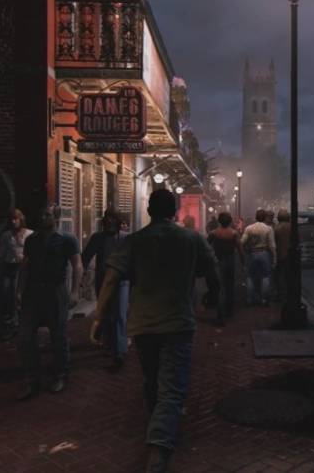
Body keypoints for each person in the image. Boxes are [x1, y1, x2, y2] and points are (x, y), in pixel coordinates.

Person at [89, 189, 220, 472]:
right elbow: (212, 270)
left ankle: (158, 426)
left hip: (144, 324)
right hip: (178, 322)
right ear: (175, 212)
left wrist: (98, 317)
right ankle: (159, 447)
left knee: (152, 380)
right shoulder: (191, 239)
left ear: (149, 211)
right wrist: (214, 295)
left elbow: (111, 278)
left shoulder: (134, 241)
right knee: (171, 388)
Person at [14, 203, 83, 400]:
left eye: (47, 215)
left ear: (56, 217)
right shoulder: (32, 240)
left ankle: (60, 374)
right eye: (41, 214)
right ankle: (32, 379)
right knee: (26, 336)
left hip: (56, 291)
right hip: (33, 291)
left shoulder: (67, 239)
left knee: (58, 335)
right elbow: (25, 266)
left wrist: (74, 292)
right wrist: (19, 290)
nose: (43, 218)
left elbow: (77, 265)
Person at [82, 209, 130, 371]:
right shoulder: (98, 238)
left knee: (119, 314)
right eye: (107, 218)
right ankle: (109, 342)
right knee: (106, 313)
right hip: (102, 280)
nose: (110, 221)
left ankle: (119, 351)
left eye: (113, 218)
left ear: (118, 221)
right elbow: (85, 257)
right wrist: (82, 275)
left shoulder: (125, 238)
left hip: (121, 280)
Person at [0, 208, 32, 340]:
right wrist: (0, 269)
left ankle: (20, 325)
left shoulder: (29, 234)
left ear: (21, 219)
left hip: (22, 268)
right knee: (7, 295)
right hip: (8, 267)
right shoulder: (6, 235)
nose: (13, 221)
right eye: (11, 219)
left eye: (15, 219)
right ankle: (9, 325)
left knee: (18, 295)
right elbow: (1, 254)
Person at [207, 212, 245, 325]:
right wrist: (243, 263)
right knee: (230, 286)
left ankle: (220, 312)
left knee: (220, 287)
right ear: (230, 221)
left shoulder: (214, 233)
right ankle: (229, 310)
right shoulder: (234, 233)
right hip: (230, 261)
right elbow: (240, 249)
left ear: (219, 221)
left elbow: (207, 247)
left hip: (218, 261)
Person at [241, 209, 276, 307]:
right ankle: (264, 299)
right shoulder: (268, 229)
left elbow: (242, 242)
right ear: (264, 217)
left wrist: (246, 250)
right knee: (265, 276)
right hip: (264, 253)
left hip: (252, 253)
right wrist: (274, 258)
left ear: (256, 217)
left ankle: (250, 299)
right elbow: (272, 246)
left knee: (250, 276)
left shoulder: (249, 228)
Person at [273, 209, 292, 303]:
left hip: (279, 255)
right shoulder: (292, 227)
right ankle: (289, 295)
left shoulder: (276, 228)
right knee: (290, 276)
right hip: (290, 255)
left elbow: (273, 243)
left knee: (279, 276)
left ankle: (281, 295)